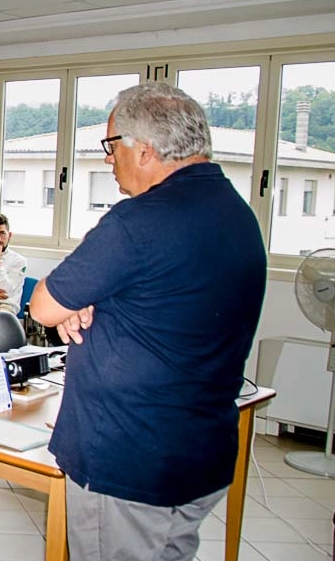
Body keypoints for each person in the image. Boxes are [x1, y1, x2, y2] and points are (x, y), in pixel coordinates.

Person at [28, 83, 267, 561]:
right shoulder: (238, 214)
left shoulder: (139, 221)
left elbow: (43, 306)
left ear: (145, 150)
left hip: (128, 461)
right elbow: (164, 299)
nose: (107, 159)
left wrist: (81, 299)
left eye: (111, 146)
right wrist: (95, 298)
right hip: (198, 450)